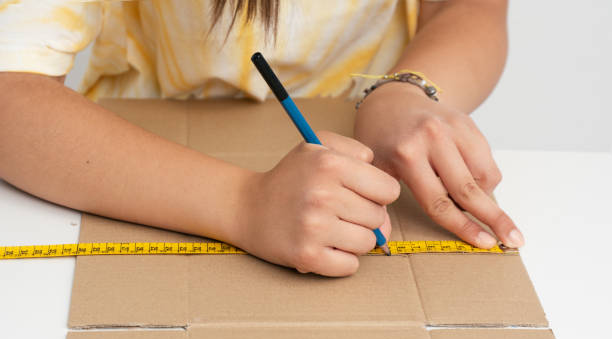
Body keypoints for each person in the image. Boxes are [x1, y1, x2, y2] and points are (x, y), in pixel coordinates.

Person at [0, 0, 522, 277]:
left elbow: (469, 6)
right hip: (133, 159)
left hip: (363, 128)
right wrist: (242, 205)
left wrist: (405, 92)